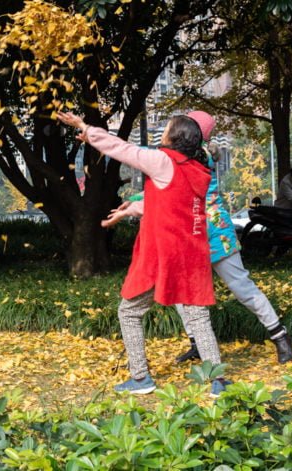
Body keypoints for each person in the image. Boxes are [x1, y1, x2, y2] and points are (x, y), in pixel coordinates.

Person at [57, 111, 231, 397]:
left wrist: (86, 129)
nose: (163, 132)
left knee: (129, 311)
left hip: (164, 255)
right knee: (198, 318)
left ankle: (141, 378)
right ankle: (218, 382)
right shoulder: (197, 169)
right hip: (191, 255)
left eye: (168, 128)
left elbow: (123, 150)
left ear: (175, 137)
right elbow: (172, 205)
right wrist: (131, 209)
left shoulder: (164, 161)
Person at [103, 111, 292, 364]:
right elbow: (167, 191)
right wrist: (137, 199)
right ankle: (197, 344)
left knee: (241, 286)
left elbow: (172, 187)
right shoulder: (186, 156)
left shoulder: (197, 158)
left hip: (216, 234)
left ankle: (279, 334)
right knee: (183, 293)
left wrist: (136, 201)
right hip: (188, 238)